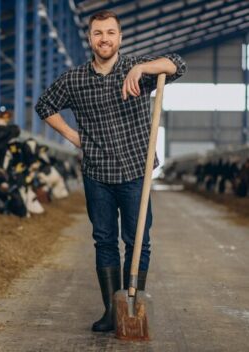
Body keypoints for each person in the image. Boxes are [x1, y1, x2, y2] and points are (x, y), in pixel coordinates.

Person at [35, 10, 186, 332]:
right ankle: (110, 311)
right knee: (104, 241)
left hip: (135, 170)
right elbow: (44, 106)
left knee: (137, 242)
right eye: (98, 33)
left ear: (119, 37)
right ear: (90, 38)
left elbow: (177, 63)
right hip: (96, 172)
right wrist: (74, 137)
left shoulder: (138, 70)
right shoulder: (74, 80)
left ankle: (133, 304)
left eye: (110, 32)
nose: (104, 38)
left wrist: (143, 68)